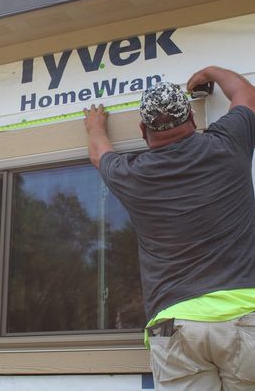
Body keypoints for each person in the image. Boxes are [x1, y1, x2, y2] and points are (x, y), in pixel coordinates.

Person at [83, 66, 255, 391]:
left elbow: (98, 153)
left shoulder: (131, 175)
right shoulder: (228, 145)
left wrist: (95, 126)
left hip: (175, 324)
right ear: (191, 116)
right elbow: (247, 96)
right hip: (245, 315)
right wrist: (213, 72)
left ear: (142, 130)